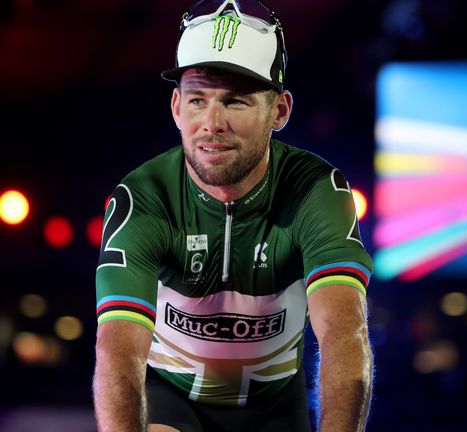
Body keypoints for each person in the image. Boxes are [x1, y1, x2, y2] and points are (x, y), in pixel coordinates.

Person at [92, 0, 374, 430]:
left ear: (279, 111)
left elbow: (343, 332)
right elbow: (117, 351)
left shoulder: (316, 190)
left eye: (236, 101)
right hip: (173, 397)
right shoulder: (144, 196)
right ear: (175, 107)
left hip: (276, 403)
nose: (212, 123)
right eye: (197, 99)